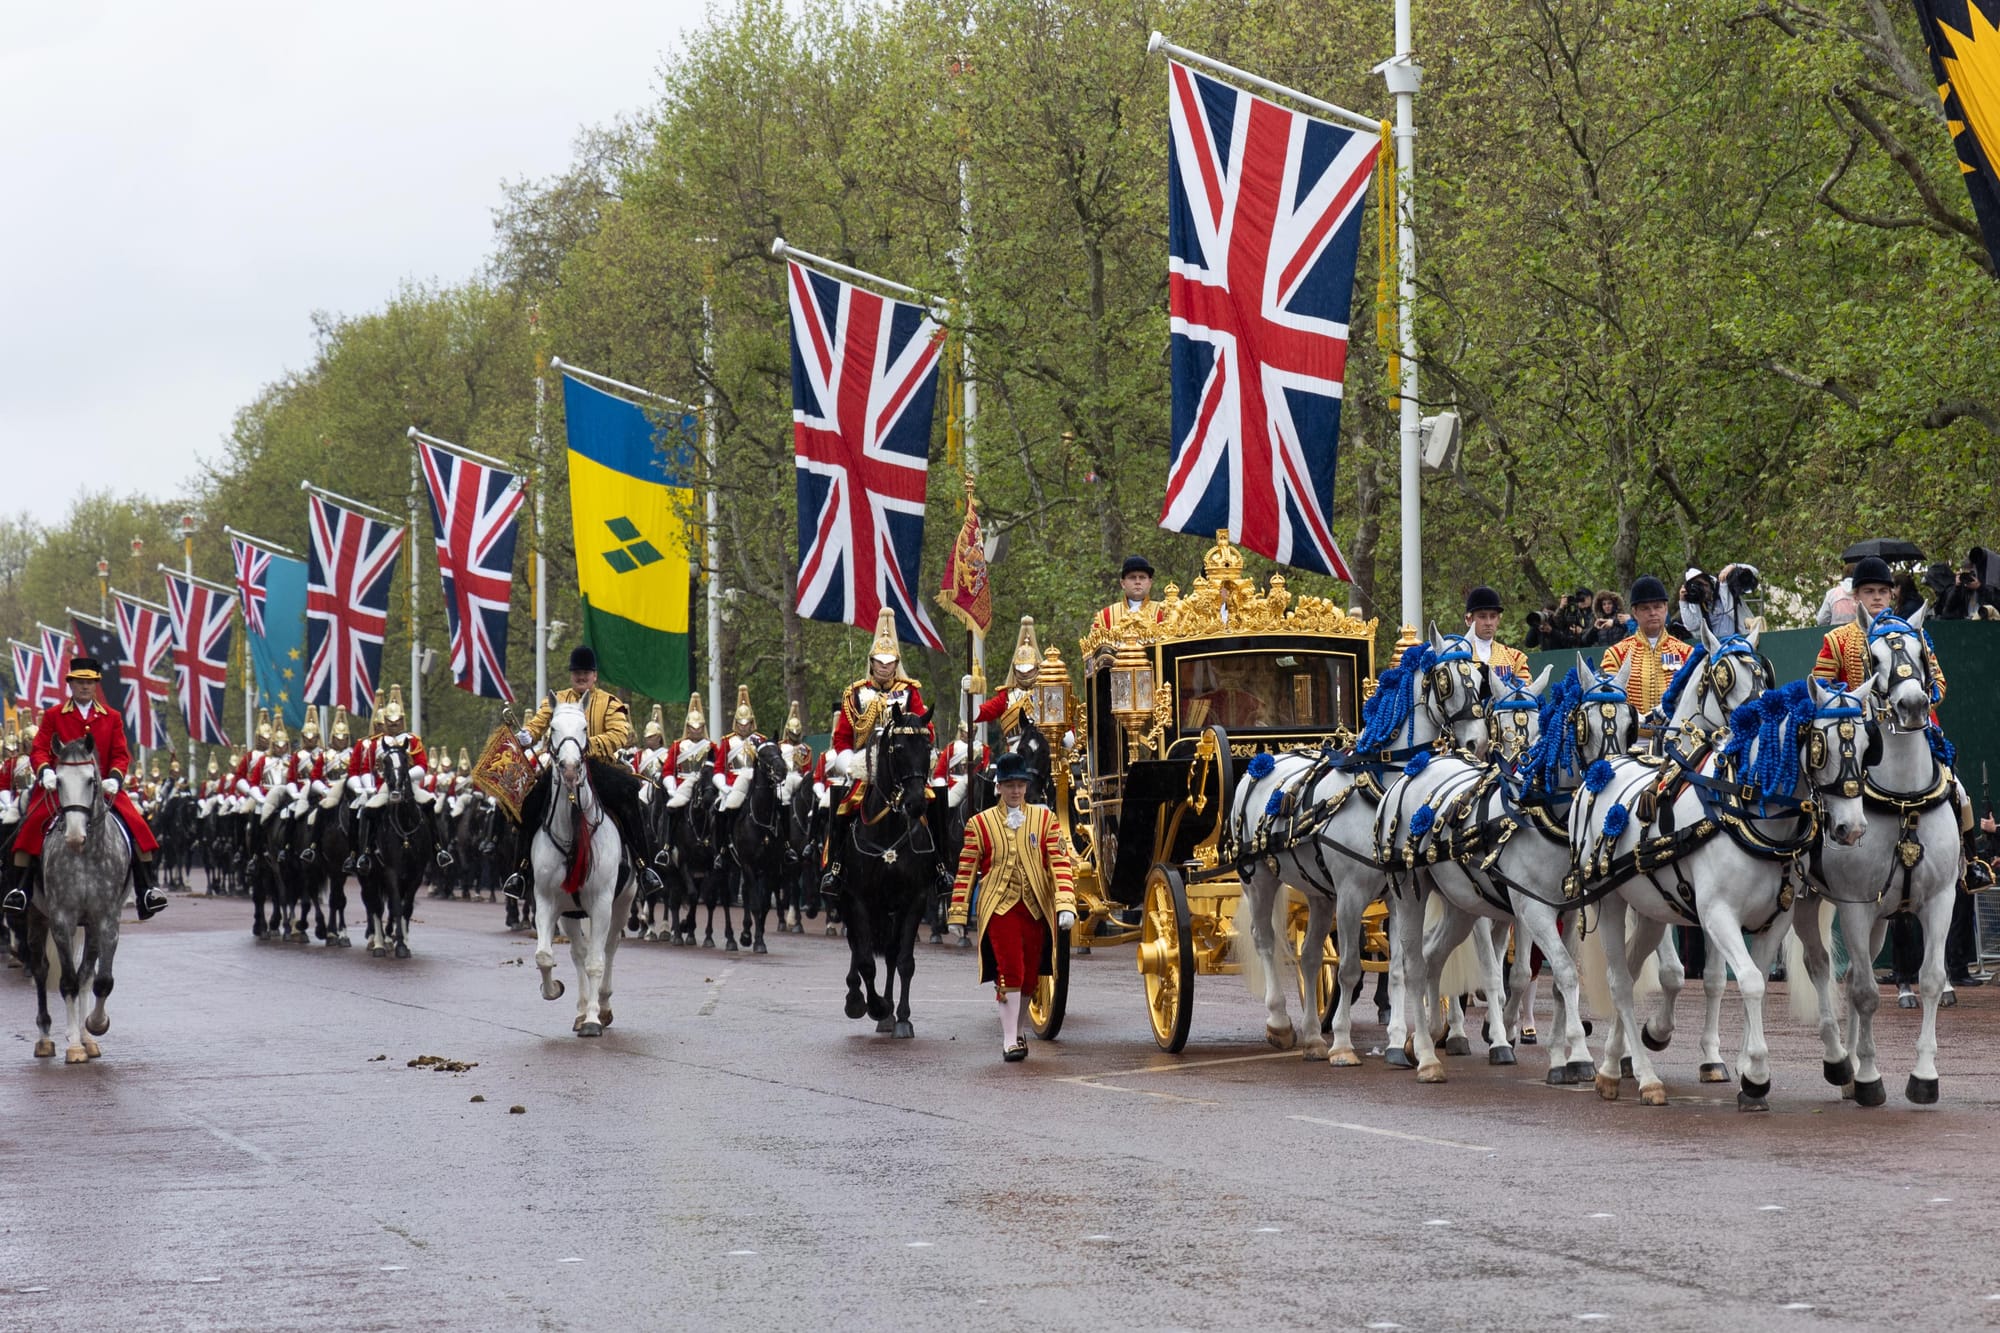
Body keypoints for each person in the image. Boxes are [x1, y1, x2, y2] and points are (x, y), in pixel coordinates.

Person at [3, 656, 167, 920]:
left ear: (96, 685)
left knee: (138, 828)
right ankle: (21, 890)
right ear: (70, 683)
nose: (84, 687)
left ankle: (146, 890)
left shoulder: (111, 717)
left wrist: (115, 776)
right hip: (60, 786)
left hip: (101, 787)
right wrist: (45, 771)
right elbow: (40, 748)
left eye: (89, 682)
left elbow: (120, 754)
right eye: (80, 681)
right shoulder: (55, 714)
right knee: (30, 828)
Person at [500, 645, 660, 900]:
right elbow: (540, 722)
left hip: (598, 766)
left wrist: (586, 746)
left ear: (595, 675)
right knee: (528, 801)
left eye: (586, 672)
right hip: (561, 769)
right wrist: (528, 734)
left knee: (630, 794)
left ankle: (643, 866)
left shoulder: (610, 703)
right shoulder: (556, 700)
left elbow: (619, 734)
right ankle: (521, 870)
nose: (581, 676)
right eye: (577, 672)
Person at [946, 750, 1077, 1061]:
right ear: (999, 787)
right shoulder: (979, 824)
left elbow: (1059, 863)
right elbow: (966, 870)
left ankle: (1018, 1032)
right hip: (999, 909)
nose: (1015, 790)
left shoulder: (1045, 819)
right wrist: (958, 912)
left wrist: (1065, 903)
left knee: (1031, 976)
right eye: (1009, 785)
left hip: (1035, 908)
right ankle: (1009, 1040)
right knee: (1011, 971)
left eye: (1020, 784)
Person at [821, 608, 932, 895]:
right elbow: (842, 738)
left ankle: (941, 866)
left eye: (890, 663)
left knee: (934, 798)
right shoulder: (855, 693)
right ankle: (833, 867)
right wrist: (850, 763)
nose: (885, 668)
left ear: (896, 664)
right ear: (871, 663)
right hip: (866, 765)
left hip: (902, 765)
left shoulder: (910, 692)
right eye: (880, 663)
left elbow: (924, 726)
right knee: (841, 803)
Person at [1599, 576, 1691, 717]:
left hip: (1676, 733)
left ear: (1665, 608)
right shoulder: (1616, 654)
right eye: (1645, 608)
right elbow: (1608, 698)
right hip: (1632, 735)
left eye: (1657, 606)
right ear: (1635, 612)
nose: (1653, 612)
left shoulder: (1686, 653)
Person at [1462, 585, 1530, 680]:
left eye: (1493, 616)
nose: (1488, 623)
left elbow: (1526, 692)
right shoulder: (1457, 656)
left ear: (1498, 619)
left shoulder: (1516, 658)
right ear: (1469, 619)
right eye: (1482, 616)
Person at [1678, 564, 1758, 640]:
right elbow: (1691, 626)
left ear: (1708, 581)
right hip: (1718, 649)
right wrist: (1683, 602)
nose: (1702, 588)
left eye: (1701, 584)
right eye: (1696, 586)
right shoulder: (1697, 604)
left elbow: (1755, 572)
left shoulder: (1726, 586)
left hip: (1742, 642)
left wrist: (1733, 566)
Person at [1093, 555, 1166, 631]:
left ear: (1150, 583)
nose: (1137, 582)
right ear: (1123, 583)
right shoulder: (1105, 616)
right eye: (1132, 577)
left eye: (1142, 577)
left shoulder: (1164, 613)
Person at [1817, 562, 1858, 627]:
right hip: (1858, 633)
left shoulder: (1832, 594)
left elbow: (1821, 620)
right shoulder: (1863, 593)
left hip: (1836, 634)